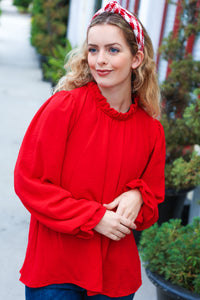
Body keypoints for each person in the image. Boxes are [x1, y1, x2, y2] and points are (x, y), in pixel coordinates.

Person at [14, 1, 165, 299]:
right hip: (57, 270)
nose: (100, 60)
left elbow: (153, 202)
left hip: (114, 276)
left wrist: (138, 195)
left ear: (136, 58)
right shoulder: (64, 108)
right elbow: (29, 182)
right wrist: (93, 217)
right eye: (93, 49)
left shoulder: (151, 129)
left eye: (113, 50)